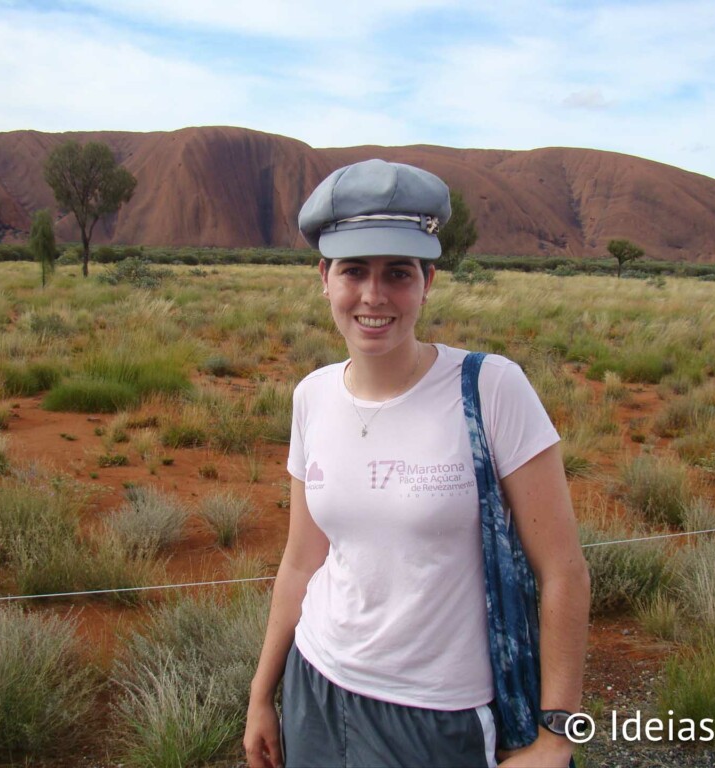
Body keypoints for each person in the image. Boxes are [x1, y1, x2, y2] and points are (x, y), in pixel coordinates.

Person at [244, 159, 590, 768]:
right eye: (354, 271)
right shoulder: (312, 396)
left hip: (439, 717)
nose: (374, 296)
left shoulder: (491, 389)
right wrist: (262, 692)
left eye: (398, 274)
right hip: (315, 685)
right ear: (324, 277)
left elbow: (563, 571)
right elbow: (302, 559)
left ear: (428, 281)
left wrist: (558, 738)